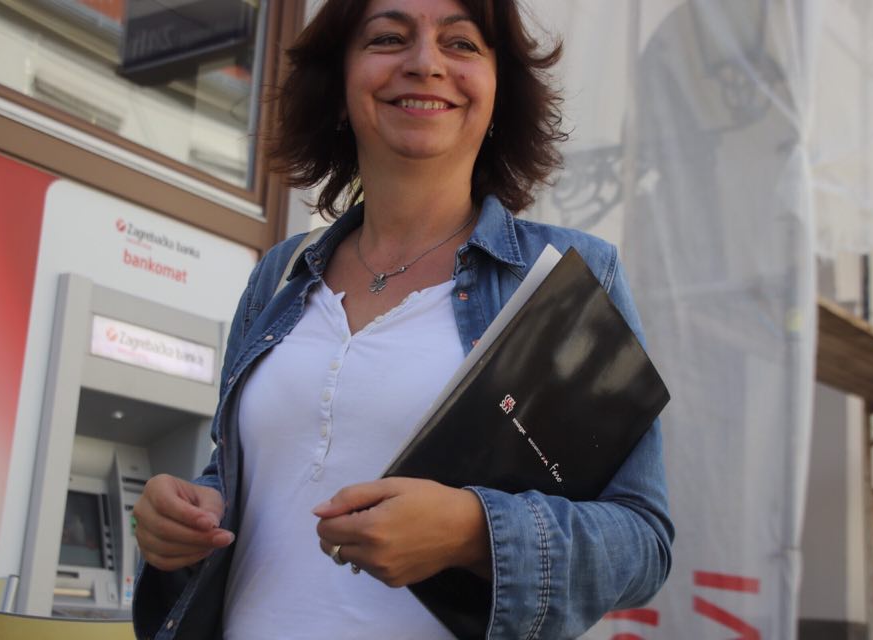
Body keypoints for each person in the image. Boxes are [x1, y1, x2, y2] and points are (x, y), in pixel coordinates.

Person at [131, 0, 673, 638]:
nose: (425, 63)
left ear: (498, 93)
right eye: (388, 38)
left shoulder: (566, 276)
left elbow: (642, 541)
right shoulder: (281, 272)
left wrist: (474, 531)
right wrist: (184, 518)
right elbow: (241, 480)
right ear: (340, 84)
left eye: (461, 44)